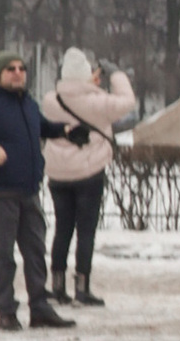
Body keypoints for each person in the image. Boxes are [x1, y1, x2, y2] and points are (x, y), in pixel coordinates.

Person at [0, 50, 73, 332]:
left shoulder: (27, 103)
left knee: (35, 251)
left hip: (28, 190)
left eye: (21, 68)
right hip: (1, 192)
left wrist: (65, 131)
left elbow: (42, 127)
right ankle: (6, 312)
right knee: (4, 254)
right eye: (10, 69)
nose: (18, 73)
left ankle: (40, 308)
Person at [44, 47, 139, 306]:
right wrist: (116, 74)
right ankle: (82, 289)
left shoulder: (51, 101)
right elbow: (127, 101)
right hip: (89, 172)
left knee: (62, 229)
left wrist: (87, 84)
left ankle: (57, 287)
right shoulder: (96, 103)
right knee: (85, 232)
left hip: (58, 175)